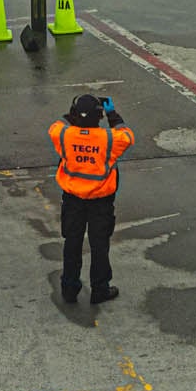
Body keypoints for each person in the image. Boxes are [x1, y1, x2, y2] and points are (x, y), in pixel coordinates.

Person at [49, 93, 135, 304]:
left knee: (72, 243)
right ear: (100, 116)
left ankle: (69, 289)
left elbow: (56, 125)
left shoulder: (64, 136)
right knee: (99, 246)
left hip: (72, 200)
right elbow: (127, 136)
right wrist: (112, 114)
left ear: (74, 115)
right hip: (100, 202)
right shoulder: (108, 139)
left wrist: (74, 112)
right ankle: (100, 289)